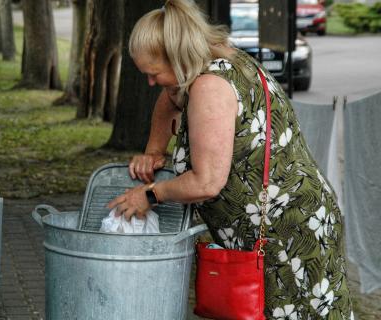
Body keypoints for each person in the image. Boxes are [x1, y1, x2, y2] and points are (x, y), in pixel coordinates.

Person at [107, 0, 353, 318]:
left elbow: (206, 182)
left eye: (154, 73)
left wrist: (151, 194)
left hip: (288, 234)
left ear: (179, 57)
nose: (151, 82)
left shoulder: (210, 88)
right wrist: (155, 150)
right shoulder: (217, 59)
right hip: (289, 220)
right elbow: (168, 98)